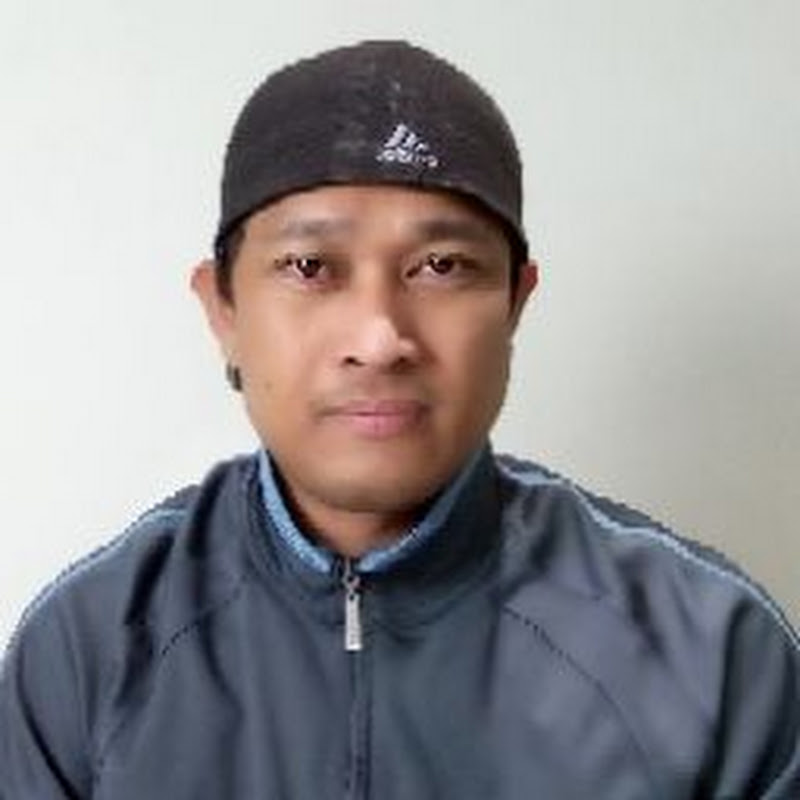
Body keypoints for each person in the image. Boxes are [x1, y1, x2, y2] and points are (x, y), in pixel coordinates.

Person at [1, 39, 798, 799]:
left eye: (441, 266)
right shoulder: (85, 649)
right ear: (223, 309)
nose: (380, 338)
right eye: (309, 267)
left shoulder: (714, 652)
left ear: (515, 303)